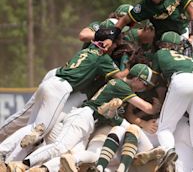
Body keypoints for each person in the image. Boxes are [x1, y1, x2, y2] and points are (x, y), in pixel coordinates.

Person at [3, 64, 161, 172]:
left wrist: (129, 123)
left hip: (88, 121)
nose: (144, 88)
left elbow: (112, 117)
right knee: (60, 147)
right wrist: (155, 107)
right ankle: (21, 164)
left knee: (85, 157)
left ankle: (41, 169)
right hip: (83, 117)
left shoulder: (118, 86)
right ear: (137, 79)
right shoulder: (122, 86)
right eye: (145, 84)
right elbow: (146, 107)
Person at [0, 38, 127, 163]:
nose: (114, 46)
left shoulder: (89, 49)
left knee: (33, 127)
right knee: (38, 130)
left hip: (55, 82)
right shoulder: (103, 59)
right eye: (115, 43)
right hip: (66, 92)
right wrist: (131, 67)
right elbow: (120, 77)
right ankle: (5, 153)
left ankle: (9, 159)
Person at [152, 31, 193, 172]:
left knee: (164, 128)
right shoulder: (189, 58)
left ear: (164, 45)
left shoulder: (161, 53)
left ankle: (169, 152)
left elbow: (154, 79)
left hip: (182, 80)